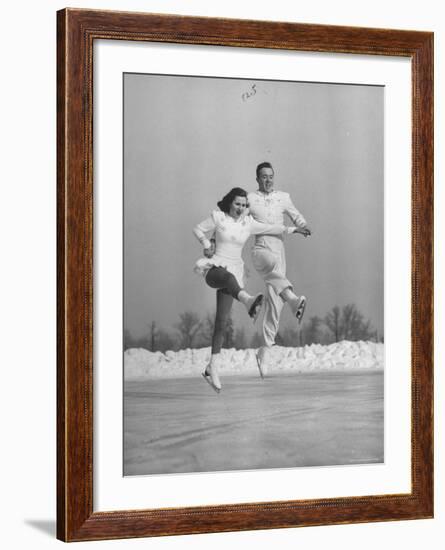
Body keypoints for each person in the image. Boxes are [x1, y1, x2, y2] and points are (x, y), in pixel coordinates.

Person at [193, 187, 301, 392]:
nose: (240, 208)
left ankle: (212, 368)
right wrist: (207, 243)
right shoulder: (218, 218)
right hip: (215, 269)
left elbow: (272, 228)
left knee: (221, 322)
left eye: (244, 205)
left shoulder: (248, 223)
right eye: (237, 204)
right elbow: (197, 228)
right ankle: (248, 300)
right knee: (227, 277)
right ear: (230, 203)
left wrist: (294, 229)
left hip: (234, 273)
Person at [247, 162, 311, 378]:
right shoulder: (250, 198)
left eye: (271, 176)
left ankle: (264, 351)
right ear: (257, 179)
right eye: (264, 176)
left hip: (279, 248)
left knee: (275, 303)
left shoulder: (283, 197)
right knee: (273, 271)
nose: (268, 180)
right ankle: (294, 300)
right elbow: (235, 217)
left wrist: (302, 225)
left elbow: (296, 215)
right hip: (261, 248)